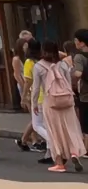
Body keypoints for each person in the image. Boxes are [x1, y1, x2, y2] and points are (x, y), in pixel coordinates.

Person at [35, 40, 84, 173]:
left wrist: (33, 103)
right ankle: (74, 152)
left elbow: (36, 88)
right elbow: (68, 83)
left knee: (54, 132)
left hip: (50, 102)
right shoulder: (63, 65)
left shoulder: (38, 66)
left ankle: (59, 163)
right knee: (71, 129)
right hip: (66, 101)